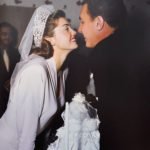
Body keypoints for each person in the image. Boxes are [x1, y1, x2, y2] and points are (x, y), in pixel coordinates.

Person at [0, 4, 77, 150]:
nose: (74, 32)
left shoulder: (63, 71)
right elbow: (25, 138)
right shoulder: (36, 72)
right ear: (50, 38)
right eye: (66, 28)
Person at [65, 0, 132, 150]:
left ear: (99, 22)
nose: (80, 29)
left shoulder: (102, 53)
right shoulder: (129, 46)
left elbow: (108, 117)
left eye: (82, 21)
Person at [0, 22, 20, 117]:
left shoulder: (16, 53)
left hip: (9, 98)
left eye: (10, 34)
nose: (7, 37)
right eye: (4, 34)